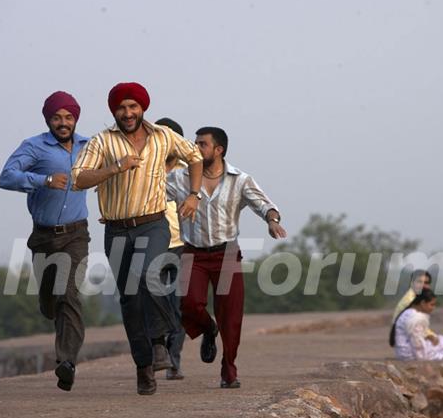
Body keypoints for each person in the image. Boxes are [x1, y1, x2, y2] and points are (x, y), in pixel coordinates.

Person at [71, 82, 203, 395]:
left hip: (154, 224)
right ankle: (144, 368)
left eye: (133, 107)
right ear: (113, 111)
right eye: (121, 108)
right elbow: (78, 178)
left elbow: (195, 156)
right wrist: (114, 168)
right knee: (129, 300)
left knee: (148, 273)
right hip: (117, 229)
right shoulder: (102, 142)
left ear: (143, 107)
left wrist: (195, 195)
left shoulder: (163, 136)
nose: (127, 113)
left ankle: (160, 343)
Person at [167, 126, 287, 389]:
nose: (195, 149)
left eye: (202, 144)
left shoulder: (240, 179)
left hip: (227, 254)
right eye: (194, 143)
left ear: (218, 150)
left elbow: (264, 203)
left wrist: (272, 220)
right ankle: (209, 330)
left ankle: (228, 368)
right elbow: (151, 198)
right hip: (193, 253)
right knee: (188, 305)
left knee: (231, 316)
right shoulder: (179, 179)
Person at [0, 91, 89, 391]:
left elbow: (110, 172)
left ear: (75, 118)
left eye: (68, 117)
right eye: (57, 117)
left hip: (77, 234)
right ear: (48, 119)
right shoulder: (34, 147)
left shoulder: (89, 147)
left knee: (70, 294)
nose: (63, 123)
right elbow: (7, 176)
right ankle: (45, 301)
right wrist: (44, 180)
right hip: (44, 236)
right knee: (51, 301)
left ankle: (66, 361)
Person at [154, 117, 188, 380]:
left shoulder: (191, 171)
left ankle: (173, 360)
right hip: (150, 245)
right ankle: (156, 353)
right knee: (153, 302)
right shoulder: (143, 168)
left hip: (182, 246)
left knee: (179, 305)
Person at [391, 270, 437, 343]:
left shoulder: (418, 298)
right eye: (419, 282)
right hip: (406, 339)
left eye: (426, 283)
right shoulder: (410, 300)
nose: (423, 285)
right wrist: (431, 336)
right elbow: (414, 325)